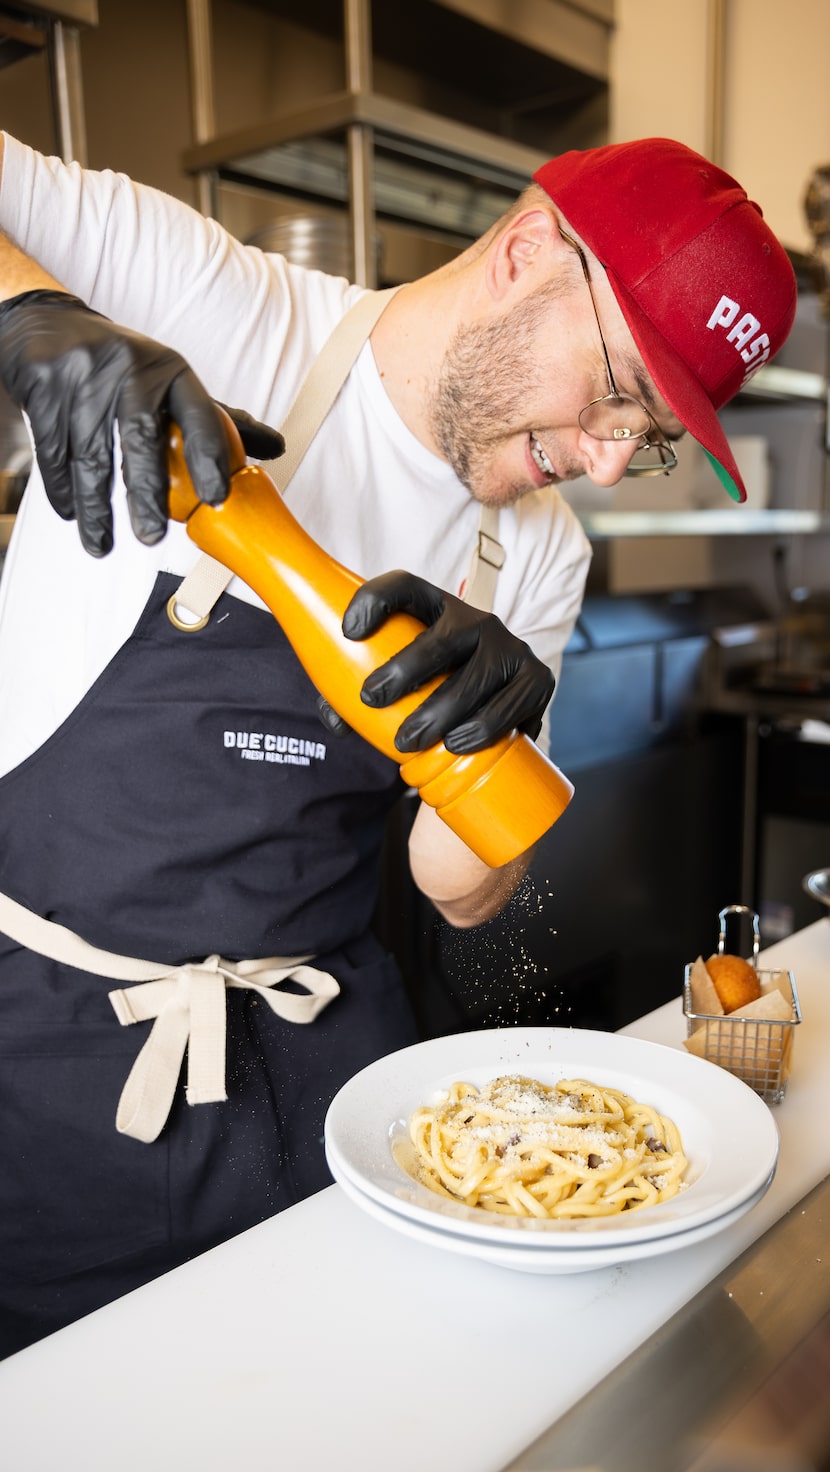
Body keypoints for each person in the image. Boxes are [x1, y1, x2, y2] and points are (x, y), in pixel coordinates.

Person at [0, 131, 796, 1355]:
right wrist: (31, 312)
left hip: (331, 1075)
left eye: (644, 437)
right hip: (52, 1061)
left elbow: (462, 895)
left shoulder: (533, 550)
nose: (598, 458)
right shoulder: (204, 297)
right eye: (617, 391)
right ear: (529, 254)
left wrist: (487, 745)